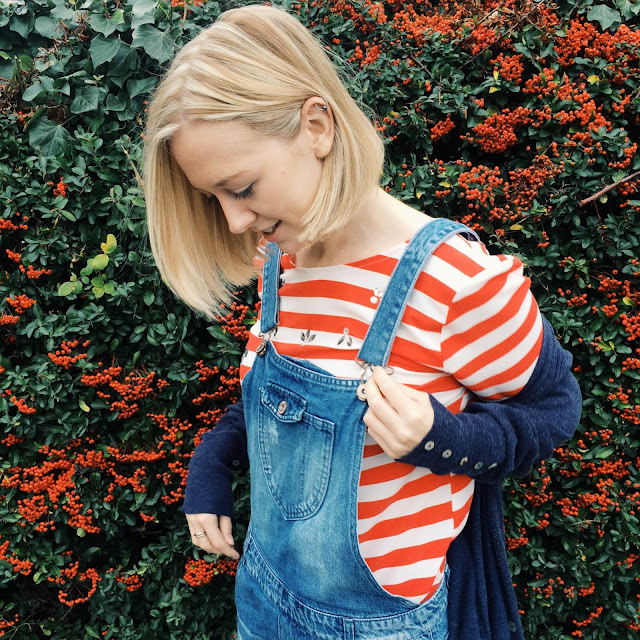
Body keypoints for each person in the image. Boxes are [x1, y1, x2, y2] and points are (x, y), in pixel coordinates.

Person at [143, 5, 582, 640]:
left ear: (316, 127)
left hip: (381, 625)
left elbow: (555, 410)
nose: (233, 220)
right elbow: (277, 398)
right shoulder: (282, 264)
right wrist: (213, 462)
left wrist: (441, 437)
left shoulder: (456, 283)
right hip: (263, 598)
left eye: (241, 188)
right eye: (213, 198)